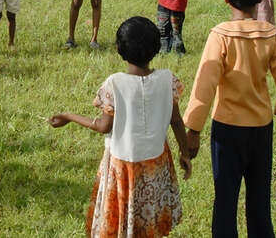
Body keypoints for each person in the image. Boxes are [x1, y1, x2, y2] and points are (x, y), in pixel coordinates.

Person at [183, 0, 276, 237]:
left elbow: (205, 84)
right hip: (261, 128)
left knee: (225, 199)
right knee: (260, 199)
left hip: (227, 130)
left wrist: (193, 130)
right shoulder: (271, 34)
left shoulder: (220, 35)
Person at [48, 16, 191, 237]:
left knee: (122, 223)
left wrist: (68, 116)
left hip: (123, 167)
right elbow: (177, 121)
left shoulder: (114, 83)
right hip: (156, 164)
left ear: (119, 49)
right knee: (149, 220)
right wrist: (185, 152)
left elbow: (102, 126)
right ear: (156, 47)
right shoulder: (167, 79)